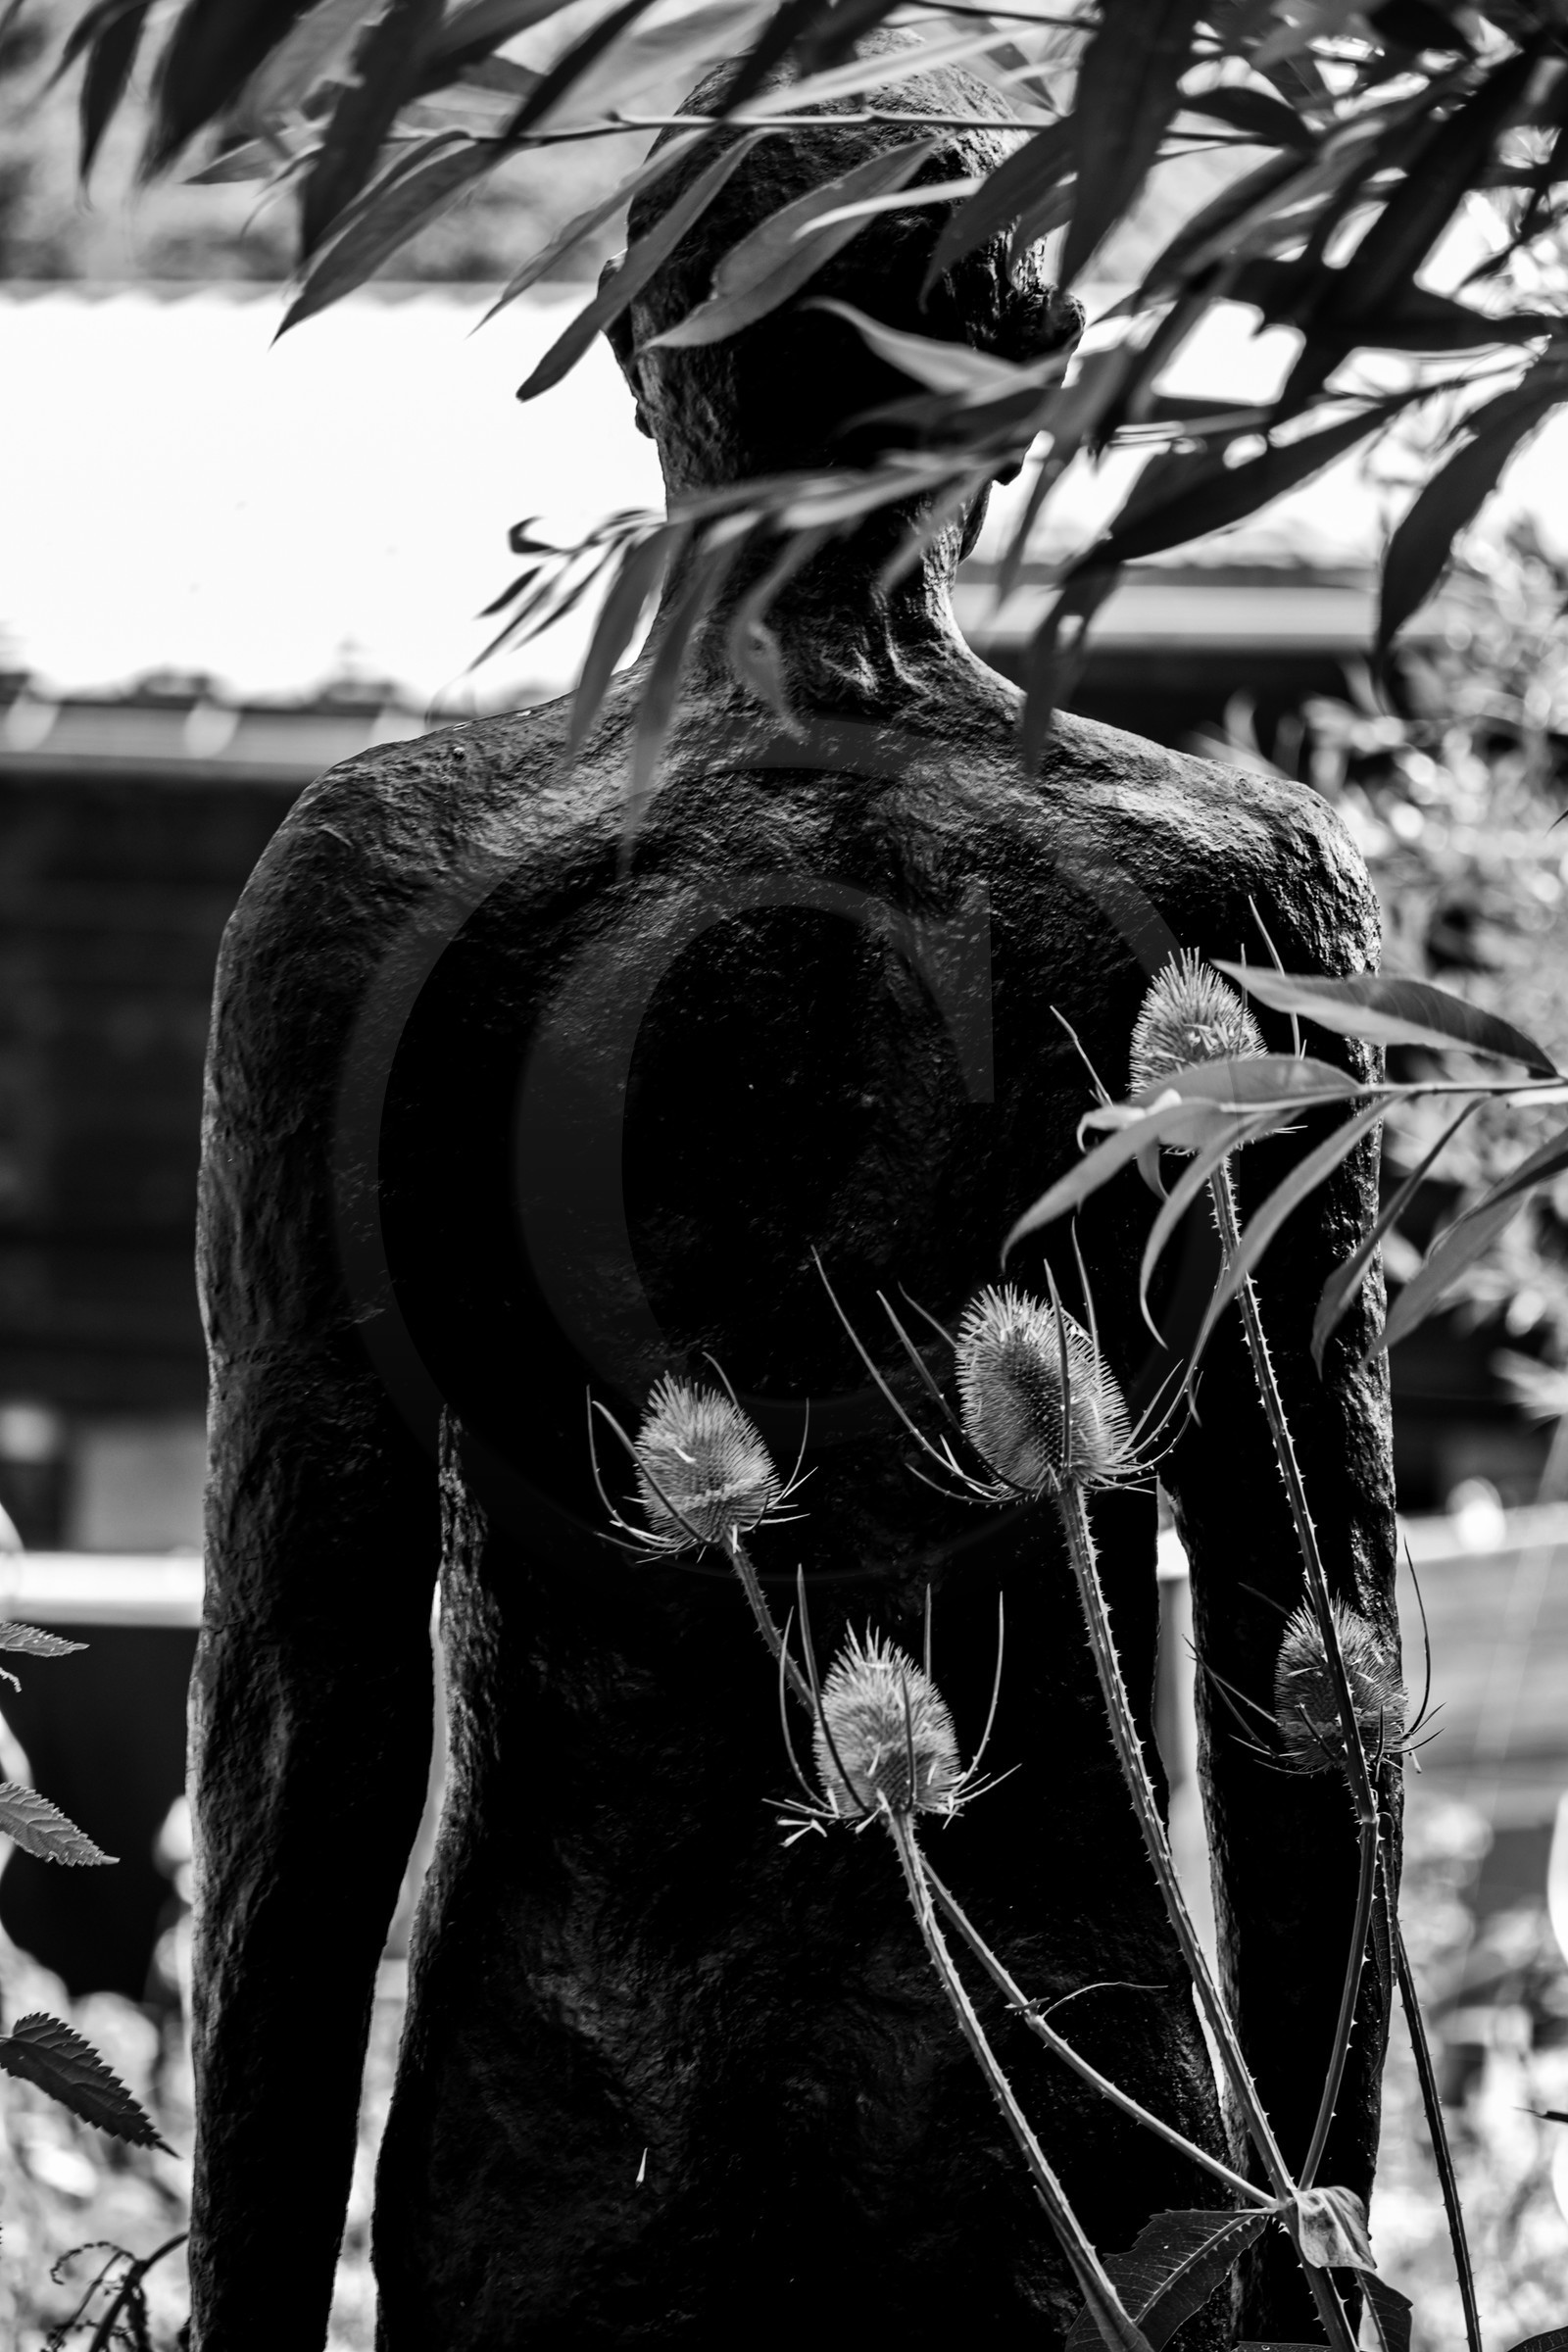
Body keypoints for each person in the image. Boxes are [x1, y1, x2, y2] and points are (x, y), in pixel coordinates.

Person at [190, 40, 1397, 2348]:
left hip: (572, 2151)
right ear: (1018, 395)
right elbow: (1302, 1659)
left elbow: (299, 1710)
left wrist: (251, 2320)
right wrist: (1308, 2263)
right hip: (1081, 2161)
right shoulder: (1210, 891)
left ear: (642, 368)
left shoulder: (401, 884)